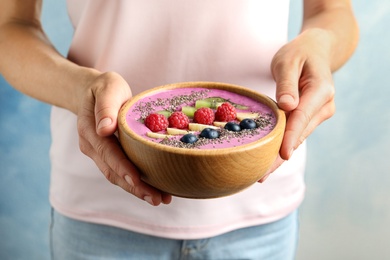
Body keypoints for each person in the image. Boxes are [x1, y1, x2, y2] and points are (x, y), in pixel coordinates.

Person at [0, 0, 358, 259]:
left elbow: (333, 12)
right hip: (101, 205)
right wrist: (80, 89)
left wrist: (320, 46)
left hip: (259, 202)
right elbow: (11, 26)